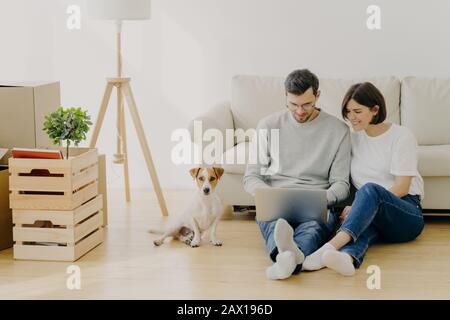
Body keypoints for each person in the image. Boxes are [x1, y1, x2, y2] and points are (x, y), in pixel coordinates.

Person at [303, 82, 425, 276]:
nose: (351, 117)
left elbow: (402, 187)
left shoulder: (401, 136)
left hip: (406, 214)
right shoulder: (352, 138)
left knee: (369, 189)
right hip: (372, 214)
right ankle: (347, 258)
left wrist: (360, 204)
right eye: (348, 111)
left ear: (375, 109)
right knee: (362, 228)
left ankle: (328, 248)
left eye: (358, 111)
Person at [243, 69, 351, 280]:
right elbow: (251, 177)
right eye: (293, 104)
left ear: (317, 96)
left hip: (316, 201)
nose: (300, 111)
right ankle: (291, 257)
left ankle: (285, 259)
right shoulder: (268, 125)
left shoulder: (338, 130)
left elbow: (341, 184)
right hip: (276, 198)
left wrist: (323, 199)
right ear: (285, 96)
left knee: (313, 227)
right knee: (274, 223)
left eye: (306, 104)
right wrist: (267, 195)